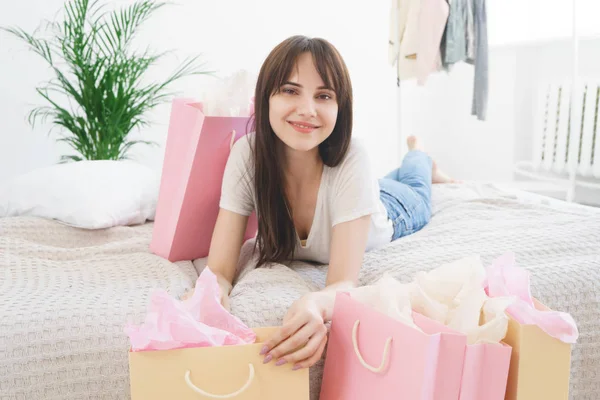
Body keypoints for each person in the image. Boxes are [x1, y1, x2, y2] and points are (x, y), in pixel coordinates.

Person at [205, 35, 455, 371]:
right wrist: (209, 295)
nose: (307, 109)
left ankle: (420, 155)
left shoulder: (354, 155)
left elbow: (342, 284)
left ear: (341, 107)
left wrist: (316, 303)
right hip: (359, 192)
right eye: (290, 90)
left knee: (414, 183)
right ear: (265, 97)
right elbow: (218, 270)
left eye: (324, 95)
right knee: (383, 180)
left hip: (395, 210)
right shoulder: (246, 156)